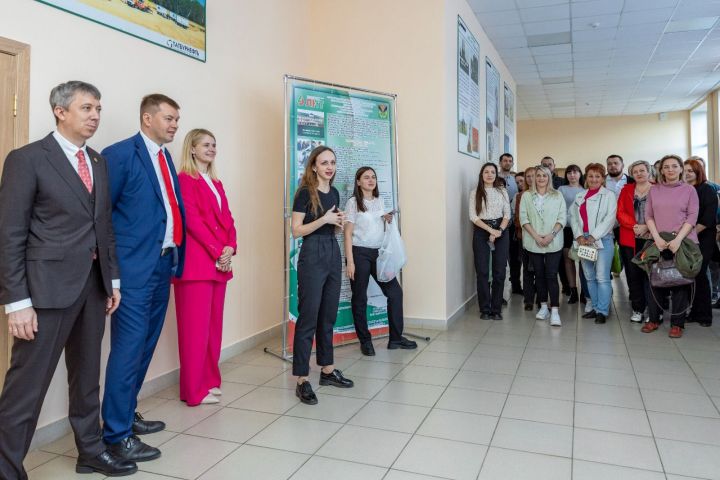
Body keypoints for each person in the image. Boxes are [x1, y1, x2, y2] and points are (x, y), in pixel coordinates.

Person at [0, 81, 136, 478]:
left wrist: (112, 280)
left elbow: (103, 226)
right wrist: (17, 302)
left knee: (87, 377)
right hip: (44, 292)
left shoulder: (97, 161)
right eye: (86, 108)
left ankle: (90, 451)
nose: (95, 116)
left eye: (98, 109)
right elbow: (9, 234)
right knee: (27, 387)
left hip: (93, 288)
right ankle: (6, 467)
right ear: (60, 111)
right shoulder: (27, 159)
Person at [102, 94, 186, 462]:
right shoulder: (120, 155)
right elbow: (101, 215)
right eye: (169, 118)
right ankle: (115, 435)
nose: (174, 125)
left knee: (145, 346)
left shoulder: (165, 157)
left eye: (177, 120)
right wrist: (112, 273)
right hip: (132, 271)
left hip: (163, 265)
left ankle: (126, 413)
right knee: (128, 349)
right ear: (147, 118)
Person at [173, 129, 237, 406]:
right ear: (192, 149)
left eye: (214, 145)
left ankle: (210, 380)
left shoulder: (216, 183)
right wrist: (217, 250)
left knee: (212, 329)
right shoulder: (185, 180)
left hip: (218, 265)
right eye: (206, 145)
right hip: (196, 266)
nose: (212, 149)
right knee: (194, 332)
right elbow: (192, 220)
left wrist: (230, 247)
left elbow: (228, 219)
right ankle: (193, 391)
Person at [291, 146, 354, 405]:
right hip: (312, 254)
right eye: (324, 163)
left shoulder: (335, 192)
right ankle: (302, 380)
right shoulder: (305, 193)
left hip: (331, 251)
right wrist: (324, 219)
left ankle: (327, 370)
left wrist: (337, 223)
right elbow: (296, 230)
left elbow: (332, 228)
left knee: (328, 315)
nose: (329, 167)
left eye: (333, 163)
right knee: (308, 317)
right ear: (314, 166)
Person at [344, 167, 416, 356]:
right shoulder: (353, 203)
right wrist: (350, 261)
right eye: (366, 177)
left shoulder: (379, 200)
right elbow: (348, 233)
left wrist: (386, 219)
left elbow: (377, 227)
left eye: (373, 177)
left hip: (378, 254)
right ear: (358, 182)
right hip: (359, 253)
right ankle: (365, 341)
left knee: (395, 293)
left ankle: (396, 339)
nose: (371, 180)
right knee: (360, 298)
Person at [642, 155, 699, 338]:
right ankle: (654, 319)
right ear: (661, 170)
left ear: (681, 169)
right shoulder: (654, 190)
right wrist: (657, 238)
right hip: (658, 241)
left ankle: (677, 324)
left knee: (679, 283)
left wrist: (678, 240)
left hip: (683, 242)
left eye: (674, 166)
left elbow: (692, 216)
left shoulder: (689, 190)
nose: (670, 170)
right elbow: (648, 216)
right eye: (666, 167)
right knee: (655, 280)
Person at [569, 163, 617, 324]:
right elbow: (573, 218)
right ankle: (595, 308)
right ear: (586, 177)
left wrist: (593, 236)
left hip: (602, 239)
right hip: (583, 240)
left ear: (603, 178)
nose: (594, 179)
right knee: (589, 277)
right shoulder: (580, 196)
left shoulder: (609, 195)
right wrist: (579, 236)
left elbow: (610, 219)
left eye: (597, 176)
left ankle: (602, 311)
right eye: (590, 176)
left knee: (602, 277)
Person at [519, 166, 566, 326]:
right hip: (533, 242)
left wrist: (551, 235)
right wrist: (537, 237)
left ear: (549, 178)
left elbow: (562, 218)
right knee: (538, 275)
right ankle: (544, 307)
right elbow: (523, 218)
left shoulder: (557, 195)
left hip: (554, 241)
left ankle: (555, 310)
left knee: (551, 275)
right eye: (538, 175)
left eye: (544, 176)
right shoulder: (526, 195)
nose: (540, 178)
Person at [469, 162, 511, 320]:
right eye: (486, 172)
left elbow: (507, 214)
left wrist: (498, 231)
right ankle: (485, 309)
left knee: (499, 272)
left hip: (501, 230)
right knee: (482, 272)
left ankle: (496, 309)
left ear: (496, 174)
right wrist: (490, 231)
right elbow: (473, 216)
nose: (489, 175)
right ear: (482, 175)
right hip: (481, 231)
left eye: (493, 172)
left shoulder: (502, 191)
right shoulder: (475, 193)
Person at [616, 161, 653, 323]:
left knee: (651, 276)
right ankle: (638, 309)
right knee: (633, 275)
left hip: (652, 239)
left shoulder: (657, 189)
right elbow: (620, 212)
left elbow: (663, 212)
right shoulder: (626, 190)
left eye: (642, 170)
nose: (639, 173)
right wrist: (635, 226)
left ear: (648, 172)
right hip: (630, 238)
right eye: (635, 171)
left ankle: (654, 310)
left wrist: (647, 227)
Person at [683, 158, 716, 327]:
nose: (687, 174)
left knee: (700, 274)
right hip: (687, 238)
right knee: (690, 276)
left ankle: (705, 315)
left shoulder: (706, 189)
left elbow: (708, 218)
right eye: (685, 170)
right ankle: (694, 312)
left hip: (703, 238)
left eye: (690, 171)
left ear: (698, 172)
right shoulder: (684, 190)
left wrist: (688, 235)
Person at [558, 165, 585, 304]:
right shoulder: (561, 189)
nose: (572, 175)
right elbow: (558, 208)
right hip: (566, 228)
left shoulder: (585, 189)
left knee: (583, 259)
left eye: (575, 172)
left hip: (582, 229)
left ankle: (584, 291)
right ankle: (573, 289)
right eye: (569, 172)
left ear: (580, 174)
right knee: (568, 258)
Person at [516, 167, 537, 310]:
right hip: (524, 237)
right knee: (528, 270)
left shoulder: (546, 194)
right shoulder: (521, 196)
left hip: (542, 238)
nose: (530, 179)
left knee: (541, 270)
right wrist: (531, 229)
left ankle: (541, 298)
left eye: (533, 175)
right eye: (527, 176)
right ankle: (528, 300)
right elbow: (518, 219)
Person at [499, 154, 521, 295]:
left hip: (513, 223)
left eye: (510, 161)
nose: (508, 163)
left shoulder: (515, 179)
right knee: (501, 257)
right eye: (505, 161)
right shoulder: (496, 178)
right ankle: (500, 290)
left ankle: (516, 285)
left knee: (515, 256)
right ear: (500, 162)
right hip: (499, 222)